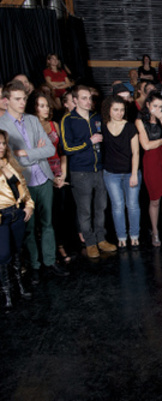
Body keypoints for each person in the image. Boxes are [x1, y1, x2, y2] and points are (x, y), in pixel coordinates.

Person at [0, 82, 69, 279]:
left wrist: (26, 152)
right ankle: (35, 266)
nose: (22, 103)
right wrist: (35, 153)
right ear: (6, 101)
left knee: (48, 223)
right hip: (23, 183)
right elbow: (10, 159)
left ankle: (50, 261)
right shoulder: (1, 125)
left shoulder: (32, 120)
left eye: (24, 99)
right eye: (17, 99)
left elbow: (49, 149)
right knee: (28, 228)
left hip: (44, 177)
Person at [61, 85, 117, 258]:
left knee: (101, 207)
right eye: (83, 98)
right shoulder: (68, 120)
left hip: (99, 169)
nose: (88, 101)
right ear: (75, 100)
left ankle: (101, 238)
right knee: (84, 210)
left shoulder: (96, 117)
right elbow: (67, 148)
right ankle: (90, 242)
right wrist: (89, 142)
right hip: (80, 172)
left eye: (89, 98)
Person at [31, 92, 72, 264]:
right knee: (43, 215)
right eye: (41, 106)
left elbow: (62, 152)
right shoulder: (30, 127)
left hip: (58, 172)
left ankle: (59, 246)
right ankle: (45, 252)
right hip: (41, 174)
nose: (46, 109)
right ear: (34, 108)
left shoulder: (54, 124)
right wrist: (51, 177)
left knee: (59, 213)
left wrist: (63, 175)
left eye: (47, 105)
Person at [135, 91, 162, 247]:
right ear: (147, 105)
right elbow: (146, 145)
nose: (158, 109)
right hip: (151, 160)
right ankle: (155, 232)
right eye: (155, 106)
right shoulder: (140, 121)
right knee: (155, 199)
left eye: (160, 106)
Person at [0, 129, 34, 309]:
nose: (1, 147)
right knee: (4, 255)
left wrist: (29, 205)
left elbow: (23, 188)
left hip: (17, 213)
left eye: (3, 143)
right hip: (1, 217)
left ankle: (20, 287)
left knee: (16, 252)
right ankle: (6, 292)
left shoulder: (10, 163)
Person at [101, 96, 141, 249]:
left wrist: (134, 174)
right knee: (117, 206)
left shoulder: (130, 127)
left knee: (132, 205)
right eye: (116, 110)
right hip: (111, 173)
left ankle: (134, 235)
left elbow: (136, 152)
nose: (119, 113)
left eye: (122, 110)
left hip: (130, 171)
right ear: (109, 110)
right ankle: (121, 236)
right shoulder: (103, 126)